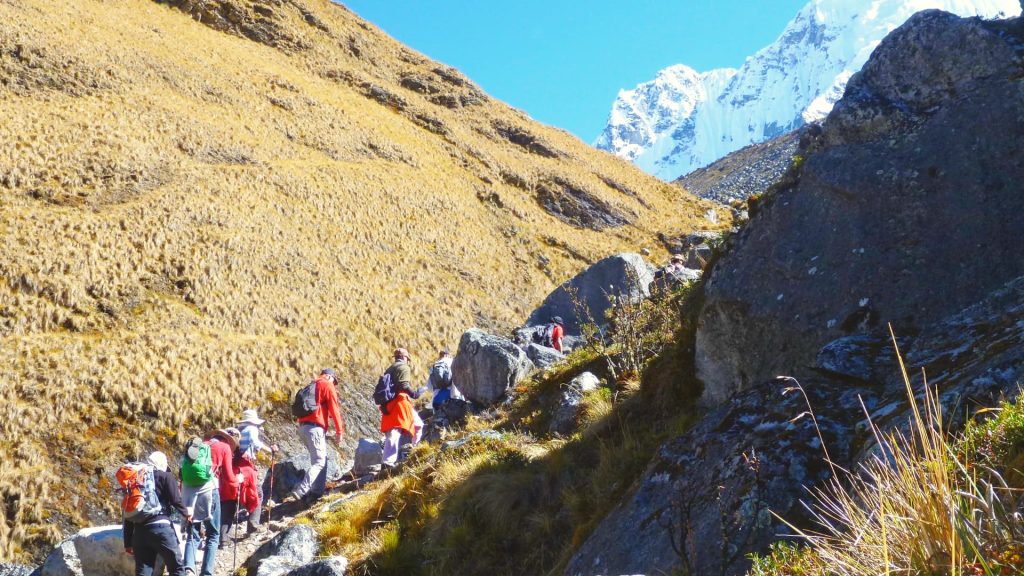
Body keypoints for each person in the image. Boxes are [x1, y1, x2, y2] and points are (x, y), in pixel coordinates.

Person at [281, 368, 345, 506]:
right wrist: (339, 431)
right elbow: (334, 409)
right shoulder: (327, 384)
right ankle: (302, 490)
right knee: (319, 462)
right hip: (314, 427)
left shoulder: (312, 385)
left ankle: (317, 491)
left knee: (321, 459)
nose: (334, 384)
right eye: (334, 381)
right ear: (329, 376)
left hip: (304, 427)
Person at [123, 451, 188, 576]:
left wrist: (128, 542)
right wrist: (187, 514)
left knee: (144, 572)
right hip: (161, 529)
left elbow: (129, 512)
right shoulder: (166, 476)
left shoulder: (136, 480)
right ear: (162, 464)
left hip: (140, 532)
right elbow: (176, 500)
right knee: (176, 568)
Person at [380, 348, 423, 467]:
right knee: (396, 430)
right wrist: (415, 394)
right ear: (405, 358)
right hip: (400, 402)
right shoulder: (403, 367)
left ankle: (415, 451)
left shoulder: (390, 368)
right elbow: (404, 385)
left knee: (418, 424)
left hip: (390, 403)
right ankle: (388, 462)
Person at [236, 409, 277, 534]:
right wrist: (270, 450)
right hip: (246, 464)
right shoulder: (251, 429)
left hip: (236, 464)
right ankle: (253, 525)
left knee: (238, 494)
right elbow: (256, 442)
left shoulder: (239, 430)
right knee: (257, 493)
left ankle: (224, 533)